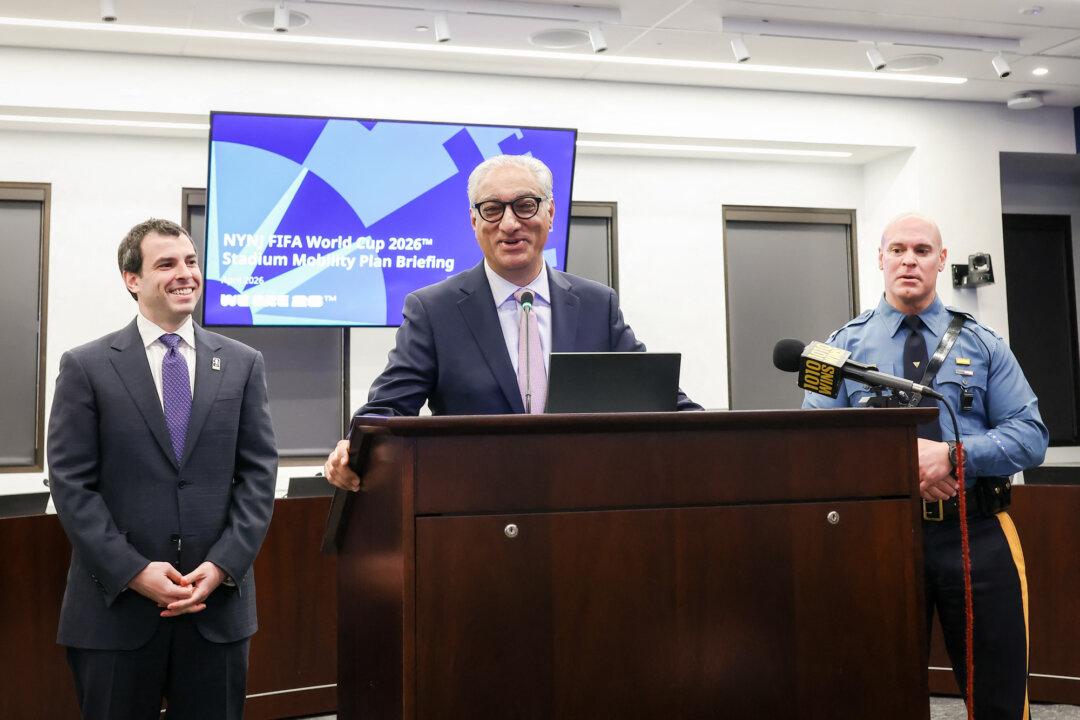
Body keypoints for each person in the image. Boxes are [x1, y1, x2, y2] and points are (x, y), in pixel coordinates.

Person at [325, 154, 700, 490]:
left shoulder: (596, 305)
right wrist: (352, 449)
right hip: (474, 508)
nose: (509, 223)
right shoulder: (434, 310)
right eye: (492, 209)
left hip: (581, 500)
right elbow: (387, 410)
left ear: (550, 213)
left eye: (524, 206)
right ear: (474, 221)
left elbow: (655, 397)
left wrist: (714, 436)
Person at [804, 213, 1047, 719]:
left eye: (921, 250)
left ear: (941, 259)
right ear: (880, 259)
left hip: (977, 532)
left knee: (999, 696)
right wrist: (906, 468)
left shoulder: (985, 343)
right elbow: (814, 449)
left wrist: (953, 456)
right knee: (875, 690)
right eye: (897, 250)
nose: (908, 260)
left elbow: (1031, 437)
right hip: (879, 538)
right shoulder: (834, 350)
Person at [47, 218, 278, 719]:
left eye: (191, 262)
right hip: (115, 612)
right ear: (132, 279)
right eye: (167, 264)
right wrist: (133, 571)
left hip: (215, 608)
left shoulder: (243, 363)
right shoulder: (86, 366)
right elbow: (71, 484)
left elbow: (259, 476)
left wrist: (222, 565)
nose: (185, 274)